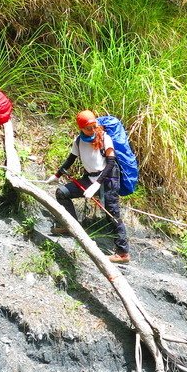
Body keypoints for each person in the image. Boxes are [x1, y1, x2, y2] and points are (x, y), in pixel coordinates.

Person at [48, 110, 130, 264]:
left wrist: (97, 184)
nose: (92, 130)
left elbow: (111, 162)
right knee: (62, 193)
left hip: (108, 179)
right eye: (88, 128)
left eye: (94, 126)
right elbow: (70, 160)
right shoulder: (78, 141)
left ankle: (123, 252)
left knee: (112, 214)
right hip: (90, 179)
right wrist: (57, 175)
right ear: (81, 128)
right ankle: (70, 225)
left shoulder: (105, 138)